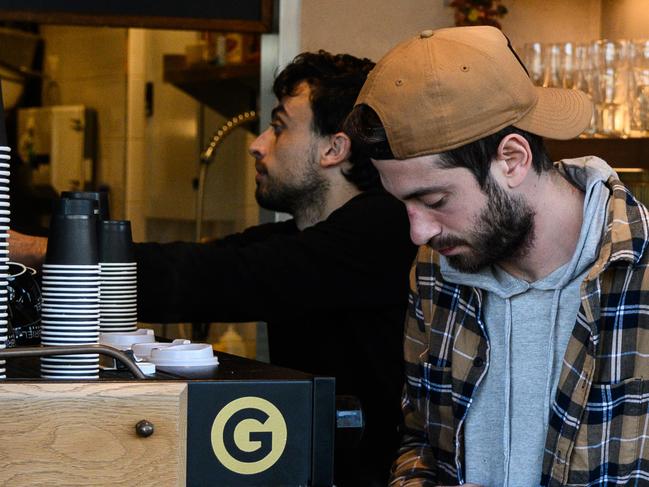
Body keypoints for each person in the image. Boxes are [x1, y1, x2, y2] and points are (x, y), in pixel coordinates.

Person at [11, 51, 417, 486]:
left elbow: (226, 275)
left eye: (279, 128)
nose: (257, 144)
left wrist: (34, 249)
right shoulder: (299, 235)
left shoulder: (383, 228)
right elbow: (207, 257)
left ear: (334, 148)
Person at [344, 25, 649, 487]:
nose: (418, 231)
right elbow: (422, 439)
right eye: (404, 204)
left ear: (511, 159)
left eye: (436, 200)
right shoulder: (434, 271)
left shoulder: (639, 271)